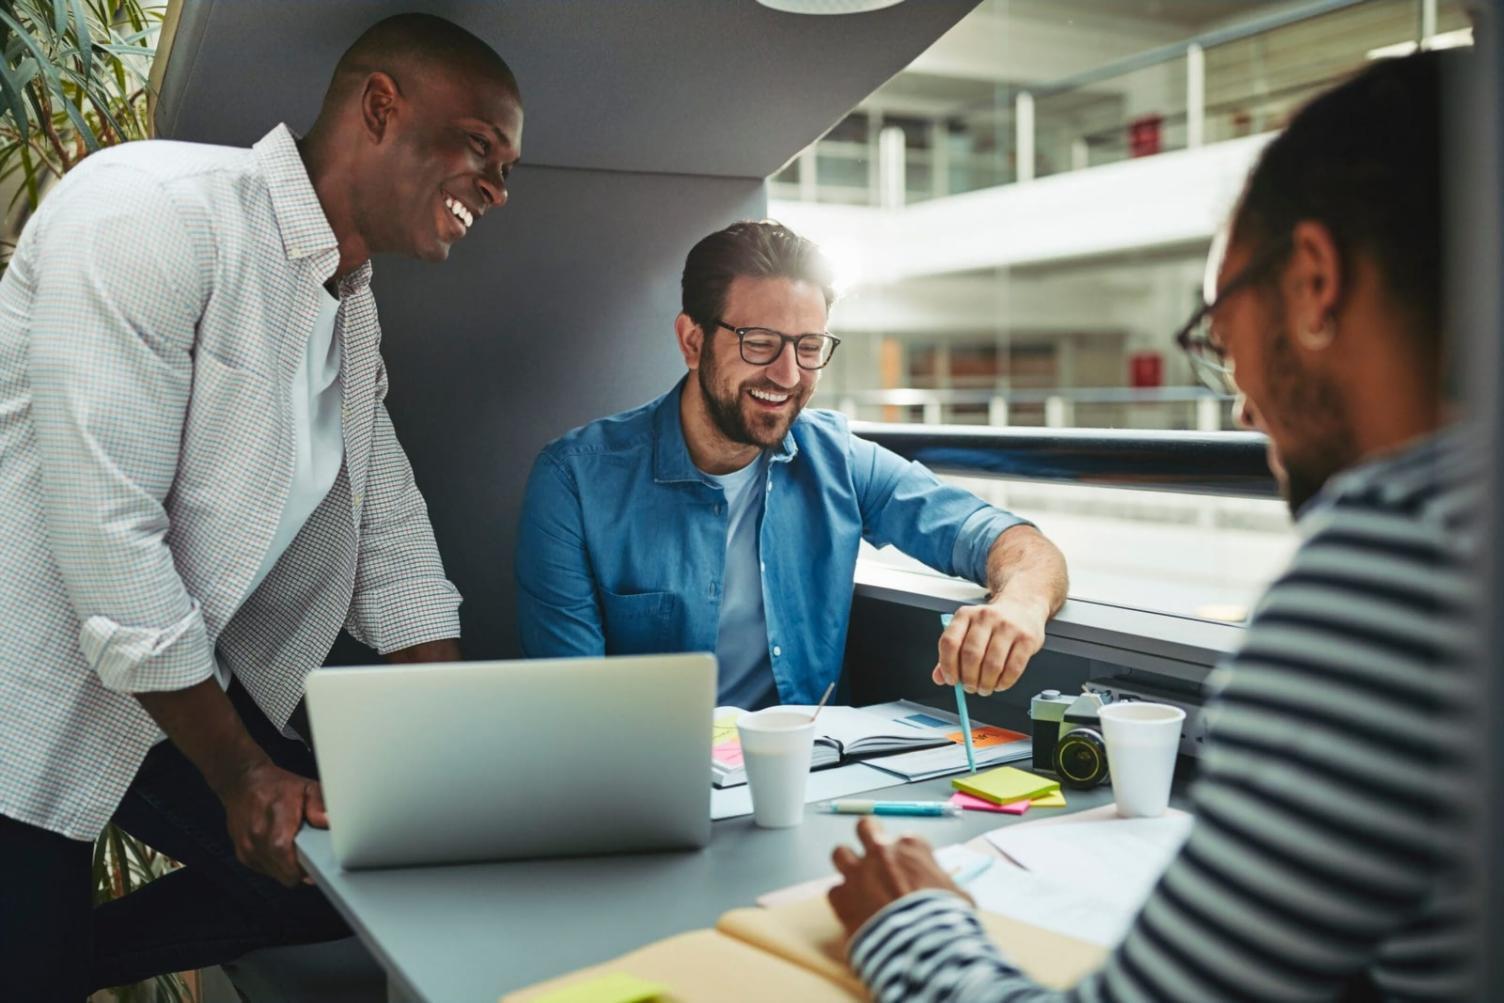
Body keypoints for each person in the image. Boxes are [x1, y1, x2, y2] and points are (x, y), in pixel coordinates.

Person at [827, 50, 1476, 1002]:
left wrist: (909, 920)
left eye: (1218, 333)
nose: (1241, 407)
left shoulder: (1398, 568)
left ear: (1314, 282)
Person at [0, 13, 522, 998]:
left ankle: (48, 961)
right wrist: (243, 775)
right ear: (380, 107)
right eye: (480, 148)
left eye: (506, 170)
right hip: (28, 676)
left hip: (162, 670)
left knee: (337, 864)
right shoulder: (151, 211)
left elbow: (390, 538)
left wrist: (453, 751)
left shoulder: (347, 302)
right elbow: (111, 539)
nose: (496, 187)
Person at [515, 220, 1068, 709]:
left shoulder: (837, 459)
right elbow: (574, 710)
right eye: (759, 344)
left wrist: (1019, 605)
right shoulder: (575, 480)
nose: (788, 375)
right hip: (651, 781)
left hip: (813, 771)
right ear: (692, 341)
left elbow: (1014, 542)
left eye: (808, 347)